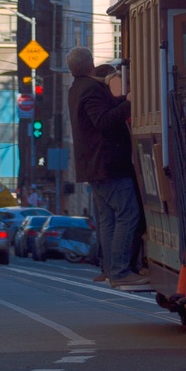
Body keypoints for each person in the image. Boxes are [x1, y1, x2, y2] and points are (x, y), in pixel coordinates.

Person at [65, 47, 146, 287]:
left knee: (109, 220)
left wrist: (121, 101)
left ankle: (112, 270)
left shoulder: (77, 89)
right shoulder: (90, 89)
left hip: (95, 167)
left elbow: (102, 113)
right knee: (128, 213)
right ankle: (121, 271)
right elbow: (102, 120)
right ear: (90, 63)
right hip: (107, 165)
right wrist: (128, 104)